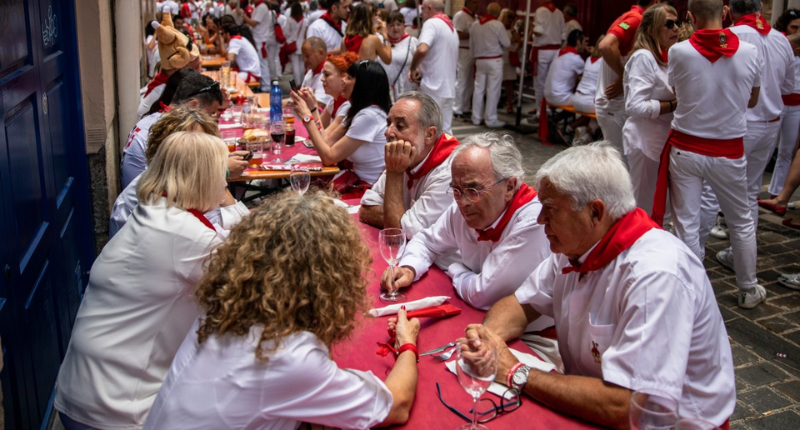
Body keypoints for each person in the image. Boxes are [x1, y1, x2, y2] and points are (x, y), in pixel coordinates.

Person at [464, 143, 735, 429]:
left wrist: (517, 372)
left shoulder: (655, 275)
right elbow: (520, 304)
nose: (540, 218)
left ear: (595, 212)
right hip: (592, 404)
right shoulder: (576, 244)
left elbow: (628, 407)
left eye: (550, 209)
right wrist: (487, 342)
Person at [143, 193, 419, 429]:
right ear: (330, 280)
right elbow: (396, 405)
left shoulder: (226, 310)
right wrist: (407, 344)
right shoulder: (289, 355)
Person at [54, 131, 231, 430]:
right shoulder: (187, 235)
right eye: (222, 173)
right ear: (204, 178)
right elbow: (253, 289)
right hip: (116, 408)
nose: (226, 184)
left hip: (81, 391)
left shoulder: (153, 212)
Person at [380, 133, 559, 365]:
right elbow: (426, 241)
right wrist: (408, 268)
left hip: (534, 339)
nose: (463, 201)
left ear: (510, 186)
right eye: (456, 190)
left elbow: (482, 294)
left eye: (473, 190)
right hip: (479, 322)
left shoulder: (532, 221)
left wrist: (455, 268)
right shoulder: (464, 207)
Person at [651, 0, 764, 309]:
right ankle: (748, 288)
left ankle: (690, 287)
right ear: (724, 13)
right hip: (728, 150)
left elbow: (677, 92)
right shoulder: (750, 51)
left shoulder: (679, 51)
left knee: (685, 222)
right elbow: (753, 99)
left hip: (687, 148)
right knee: (740, 221)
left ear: (690, 16)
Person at [705, 0, 795, 272]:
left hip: (736, 124)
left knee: (711, 189)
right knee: (749, 192)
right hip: (768, 124)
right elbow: (787, 87)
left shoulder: (728, 37)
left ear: (730, 11)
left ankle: (694, 250)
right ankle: (740, 255)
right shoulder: (781, 40)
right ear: (759, 9)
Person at [110, 108, 250, 238]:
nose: (206, 155)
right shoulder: (160, 195)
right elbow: (234, 231)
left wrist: (215, 172)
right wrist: (219, 172)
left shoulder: (174, 181)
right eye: (197, 149)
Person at [359, 91, 458, 240]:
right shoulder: (406, 156)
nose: (388, 132)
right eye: (388, 124)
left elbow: (396, 233)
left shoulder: (449, 172)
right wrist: (400, 218)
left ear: (429, 135)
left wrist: (394, 173)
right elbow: (366, 209)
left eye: (400, 126)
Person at [292, 60, 390, 199]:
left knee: (305, 197)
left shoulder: (369, 115)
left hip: (367, 190)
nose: (343, 80)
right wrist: (313, 109)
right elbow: (326, 141)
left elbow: (328, 157)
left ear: (362, 85)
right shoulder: (356, 110)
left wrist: (307, 118)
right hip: (352, 181)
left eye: (349, 78)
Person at [621, 3, 678, 214]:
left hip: (659, 139)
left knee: (655, 200)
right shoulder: (644, 58)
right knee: (641, 202)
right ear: (652, 31)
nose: (676, 28)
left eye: (677, 23)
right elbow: (635, 105)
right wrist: (672, 105)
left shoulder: (666, 57)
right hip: (644, 140)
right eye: (669, 24)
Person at [123, 71, 224, 188]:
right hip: (146, 195)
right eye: (210, 114)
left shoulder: (158, 119)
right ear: (193, 105)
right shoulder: (173, 131)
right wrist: (224, 171)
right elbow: (189, 179)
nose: (210, 120)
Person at [595, 0, 649, 163]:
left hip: (614, 105)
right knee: (619, 163)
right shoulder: (636, 19)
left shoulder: (631, 16)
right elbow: (605, 46)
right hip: (614, 105)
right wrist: (625, 79)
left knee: (618, 160)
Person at [137, 13, 202, 120]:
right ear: (180, 67)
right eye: (195, 68)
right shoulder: (165, 92)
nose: (200, 71)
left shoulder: (167, 84)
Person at [409, 0, 459, 134]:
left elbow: (422, 50)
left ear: (429, 8)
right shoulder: (450, 26)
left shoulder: (431, 23)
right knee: (445, 131)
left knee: (428, 130)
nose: (421, 13)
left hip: (433, 88)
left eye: (423, 9)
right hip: (448, 88)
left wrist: (413, 68)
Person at [766, 10, 800, 201]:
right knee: (766, 149)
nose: (797, 31)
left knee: (787, 151)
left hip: (796, 105)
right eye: (794, 27)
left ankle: (777, 193)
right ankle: (749, 191)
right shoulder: (778, 43)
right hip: (776, 103)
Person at [469, 3, 510, 128]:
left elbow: (471, 44)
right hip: (494, 60)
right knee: (493, 90)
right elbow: (507, 43)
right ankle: (490, 119)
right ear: (497, 13)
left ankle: (476, 117)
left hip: (480, 60)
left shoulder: (475, 24)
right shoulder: (497, 25)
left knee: (478, 89)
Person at [529, 1, 565, 121]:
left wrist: (531, 27)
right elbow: (563, 35)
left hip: (542, 51)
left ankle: (541, 111)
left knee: (540, 83)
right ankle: (549, 109)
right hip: (555, 50)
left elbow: (538, 32)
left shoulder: (540, 11)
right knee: (551, 82)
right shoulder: (559, 12)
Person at [570, 35, 604, 145]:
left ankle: (575, 130)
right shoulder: (604, 62)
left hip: (576, 99)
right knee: (606, 111)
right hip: (589, 103)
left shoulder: (589, 59)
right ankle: (586, 130)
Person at [378, 11, 419, 101]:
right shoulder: (379, 41)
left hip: (406, 89)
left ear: (404, 25)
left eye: (398, 24)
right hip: (384, 90)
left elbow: (420, 64)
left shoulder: (412, 41)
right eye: (392, 25)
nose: (395, 28)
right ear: (386, 26)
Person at [240, 0, 280, 90]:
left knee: (262, 63)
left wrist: (243, 15)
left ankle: (266, 86)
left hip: (260, 39)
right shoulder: (258, 6)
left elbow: (253, 23)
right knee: (261, 63)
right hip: (258, 39)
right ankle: (263, 84)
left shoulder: (262, 6)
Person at [320, 51, 360, 131]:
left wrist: (311, 109)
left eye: (327, 75)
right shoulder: (333, 101)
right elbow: (318, 129)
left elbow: (325, 137)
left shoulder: (348, 105)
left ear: (344, 77)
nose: (322, 79)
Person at [452, 0, 478, 118]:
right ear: (468, 3)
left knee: (469, 81)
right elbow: (457, 34)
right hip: (463, 51)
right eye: (474, 2)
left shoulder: (473, 17)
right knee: (462, 79)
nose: (477, 5)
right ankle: (457, 108)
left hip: (471, 51)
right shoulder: (460, 16)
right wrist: (474, 33)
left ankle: (465, 107)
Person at [300, 37, 334, 110]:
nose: (304, 60)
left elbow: (320, 104)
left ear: (321, 53)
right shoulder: (310, 72)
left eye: (307, 56)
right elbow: (300, 98)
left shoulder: (331, 73)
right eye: (303, 56)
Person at [499, 8, 520, 114]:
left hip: (509, 58)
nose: (509, 19)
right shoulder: (498, 26)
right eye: (507, 17)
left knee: (509, 82)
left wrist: (512, 28)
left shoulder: (512, 29)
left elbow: (518, 39)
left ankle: (509, 104)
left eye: (511, 17)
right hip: (500, 57)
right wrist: (510, 41)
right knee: (497, 82)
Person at [283, 2, 307, 85]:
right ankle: (303, 82)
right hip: (303, 44)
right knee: (302, 65)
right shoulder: (305, 21)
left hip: (293, 44)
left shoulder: (289, 20)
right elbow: (306, 34)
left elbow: (286, 33)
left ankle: (297, 84)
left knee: (295, 65)